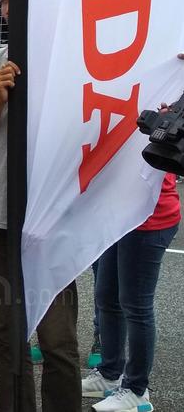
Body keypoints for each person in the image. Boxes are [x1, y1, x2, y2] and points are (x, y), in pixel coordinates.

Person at [0, 0, 80, 411]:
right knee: (4, 334)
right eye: (5, 1)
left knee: (58, 340)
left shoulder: (71, 61)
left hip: (51, 218)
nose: (10, 9)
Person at [82, 154, 179, 411]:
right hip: (119, 216)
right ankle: (110, 372)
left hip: (149, 218)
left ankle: (137, 391)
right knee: (107, 297)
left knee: (136, 306)